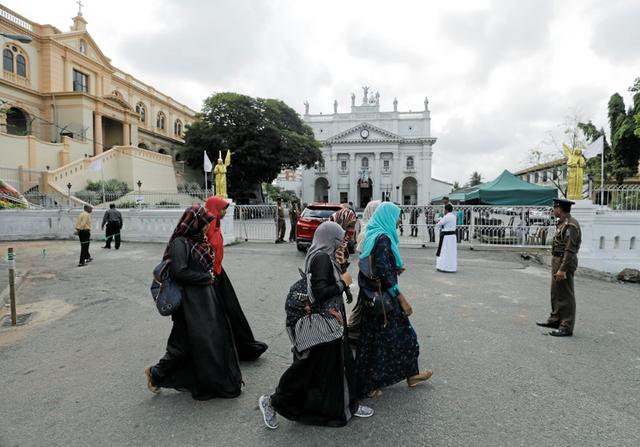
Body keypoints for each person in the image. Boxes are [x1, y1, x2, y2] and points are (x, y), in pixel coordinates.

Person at [259, 222, 374, 429]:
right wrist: (344, 282)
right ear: (331, 239)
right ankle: (273, 401)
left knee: (335, 366)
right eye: (340, 238)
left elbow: (329, 283)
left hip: (331, 320)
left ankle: (347, 406)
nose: (343, 242)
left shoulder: (326, 255)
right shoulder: (321, 258)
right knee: (308, 367)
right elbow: (321, 293)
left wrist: (342, 266)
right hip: (323, 322)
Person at [145, 205, 243, 400]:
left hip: (204, 300)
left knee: (196, 343)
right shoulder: (180, 243)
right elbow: (179, 272)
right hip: (189, 304)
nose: (207, 227)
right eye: (205, 224)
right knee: (184, 345)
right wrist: (205, 278)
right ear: (194, 223)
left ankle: (160, 374)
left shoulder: (198, 241)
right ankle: (155, 373)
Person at [355, 202, 433, 398]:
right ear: (388, 216)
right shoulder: (382, 239)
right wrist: (402, 300)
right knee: (403, 337)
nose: (399, 220)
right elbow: (383, 274)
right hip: (385, 300)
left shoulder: (374, 235)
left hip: (374, 298)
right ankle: (370, 384)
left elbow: (372, 268)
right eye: (397, 216)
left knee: (376, 341)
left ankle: (410, 375)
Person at [204, 196, 268, 360]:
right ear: (215, 209)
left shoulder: (216, 225)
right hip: (210, 277)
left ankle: (242, 346)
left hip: (219, 273)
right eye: (222, 208)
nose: (225, 212)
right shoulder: (206, 228)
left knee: (232, 310)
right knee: (219, 315)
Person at [536, 198, 581, 337]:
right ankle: (555, 319)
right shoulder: (562, 223)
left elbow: (570, 250)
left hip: (564, 261)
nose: (553, 210)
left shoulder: (570, 225)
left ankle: (566, 326)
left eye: (555, 207)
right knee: (556, 292)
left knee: (566, 295)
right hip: (557, 259)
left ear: (560, 209)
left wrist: (563, 269)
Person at [435, 203, 457, 273]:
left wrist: (439, 221)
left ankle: (443, 267)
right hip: (452, 236)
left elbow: (439, 224)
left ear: (446, 210)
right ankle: (451, 267)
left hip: (446, 237)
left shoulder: (447, 216)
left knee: (444, 251)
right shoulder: (453, 216)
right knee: (451, 253)